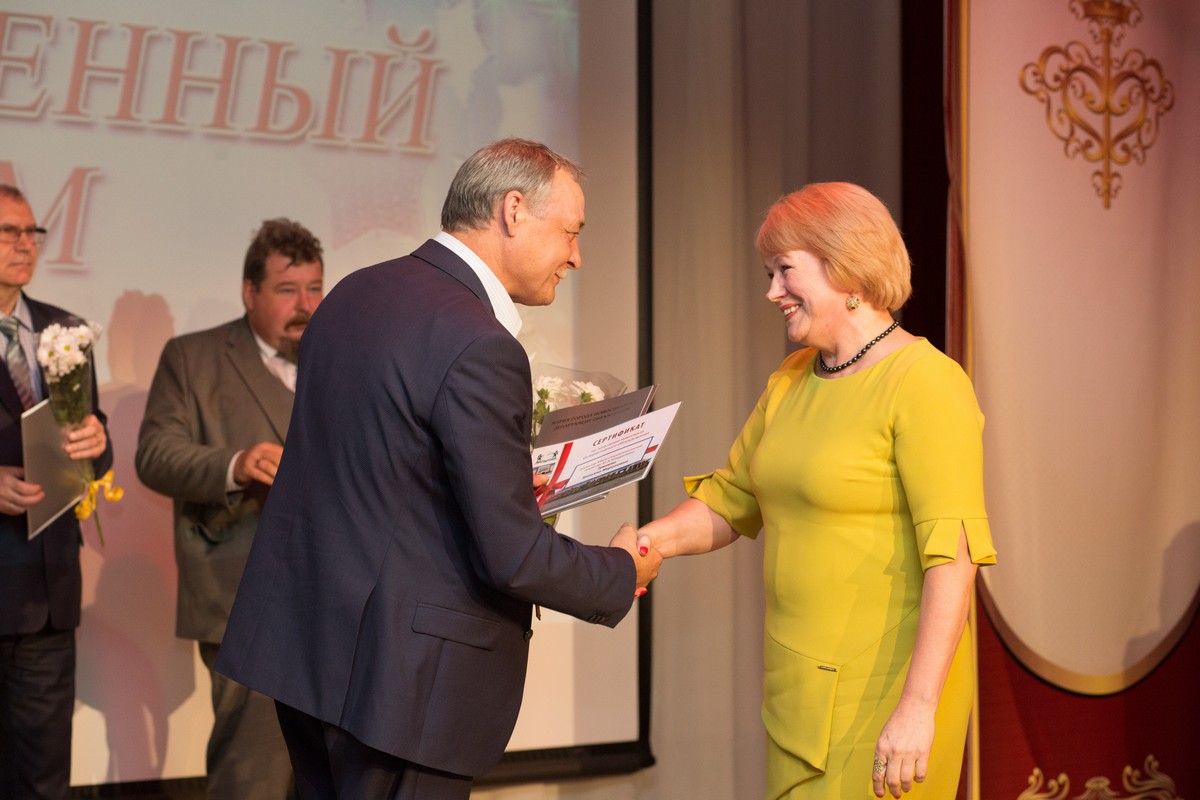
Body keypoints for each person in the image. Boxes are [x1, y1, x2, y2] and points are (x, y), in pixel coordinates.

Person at [216, 138, 660, 799]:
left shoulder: (355, 292)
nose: (576, 256)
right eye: (571, 232)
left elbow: (376, 466)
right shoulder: (481, 343)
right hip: (401, 684)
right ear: (514, 210)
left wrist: (497, 479)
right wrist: (621, 571)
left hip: (309, 656)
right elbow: (511, 554)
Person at [636, 182, 997, 799]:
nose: (772, 292)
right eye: (769, 273)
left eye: (785, 270)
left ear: (846, 266)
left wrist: (917, 708)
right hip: (796, 692)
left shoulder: (927, 383)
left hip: (888, 696)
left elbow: (954, 558)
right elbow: (732, 499)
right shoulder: (792, 378)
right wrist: (645, 545)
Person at [135, 218, 324, 798]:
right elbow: (155, 456)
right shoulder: (193, 358)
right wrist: (236, 463)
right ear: (249, 292)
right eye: (287, 290)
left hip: (337, 595)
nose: (305, 305)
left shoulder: (339, 357)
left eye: (315, 288)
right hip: (243, 593)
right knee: (254, 772)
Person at [0, 184, 112, 799]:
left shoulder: (64, 329)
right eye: (8, 232)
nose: (25, 244)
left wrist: (98, 439)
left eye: (32, 232)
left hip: (45, 590)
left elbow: (92, 436)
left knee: (44, 780)